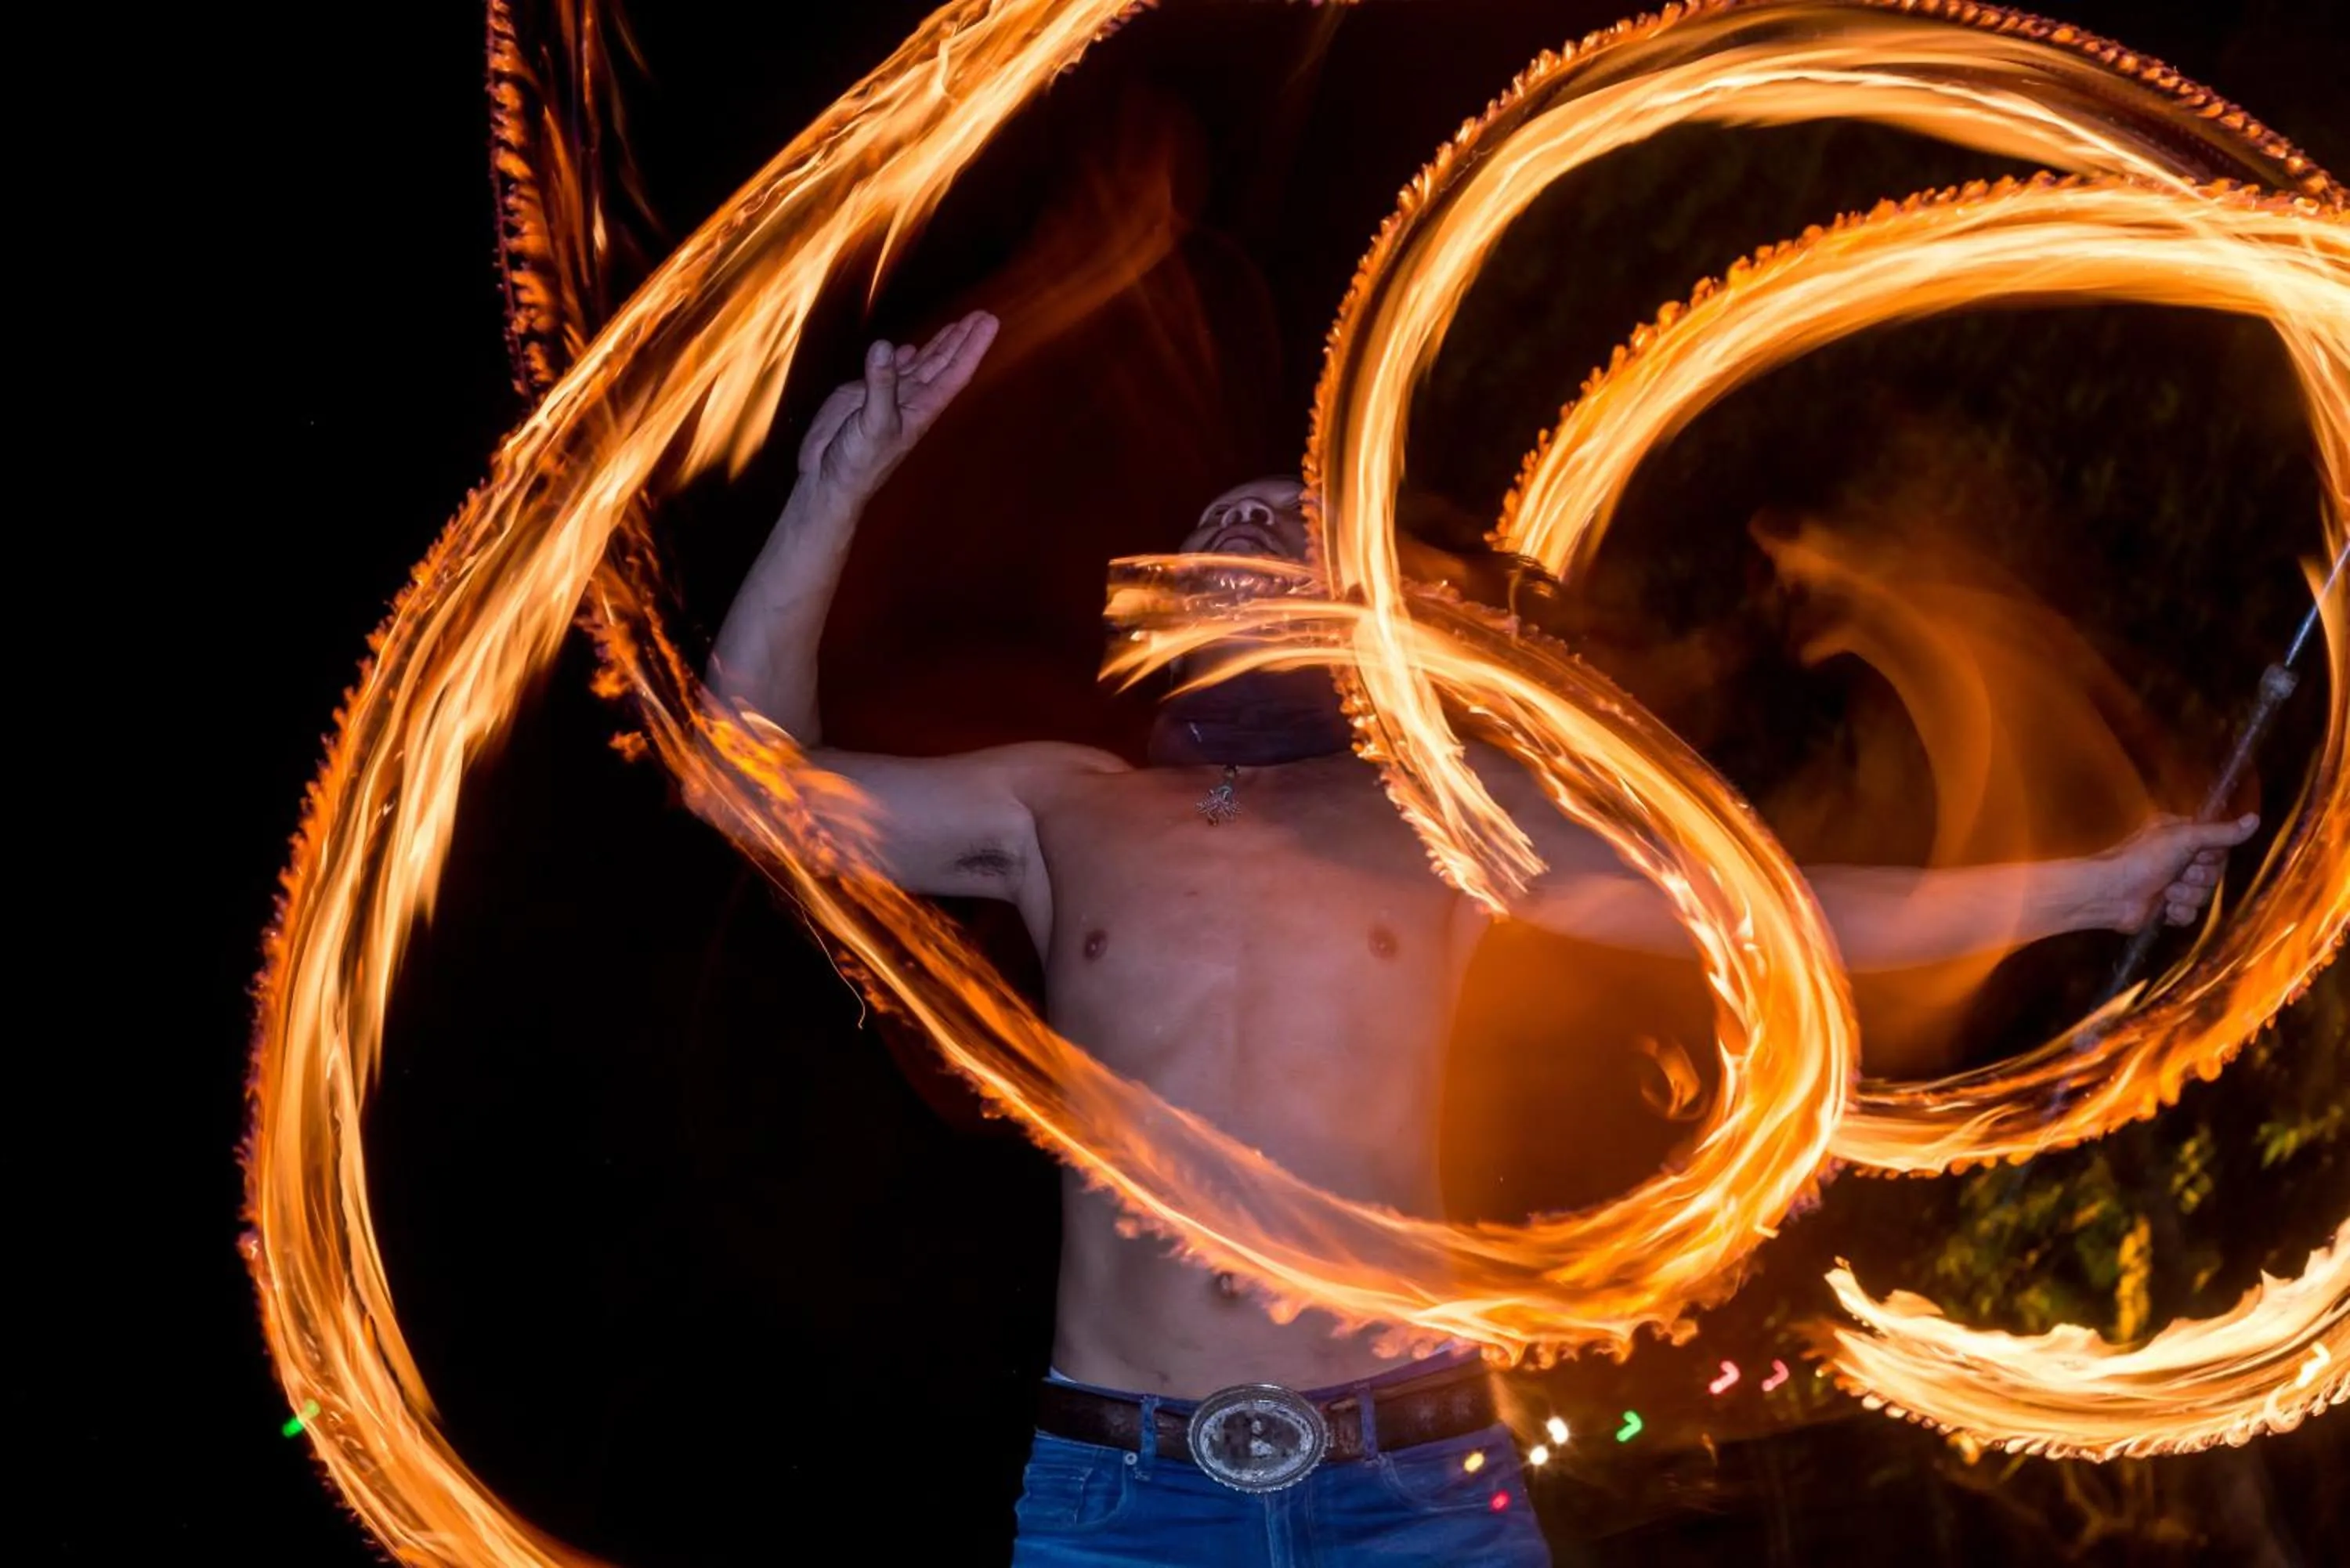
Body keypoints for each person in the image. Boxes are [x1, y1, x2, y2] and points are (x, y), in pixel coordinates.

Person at [704, 311, 2254, 1566]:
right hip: (1133, 1490)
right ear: (1168, 605)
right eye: (1223, 522)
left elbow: (1769, 905)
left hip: (1415, 1483)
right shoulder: (1061, 806)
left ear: (1356, 613)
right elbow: (748, 784)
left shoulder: (1455, 819)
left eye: (1297, 525)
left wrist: (2085, 887)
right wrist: (831, 493)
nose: (1258, 522)